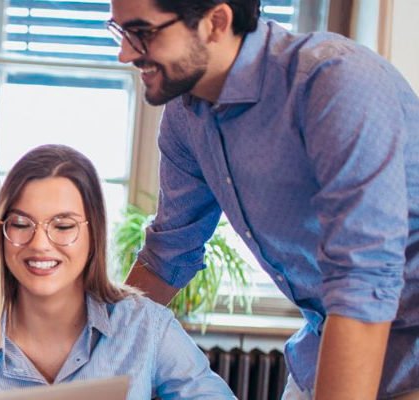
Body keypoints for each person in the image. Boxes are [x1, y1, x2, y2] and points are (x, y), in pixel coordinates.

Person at [107, 0, 419, 398]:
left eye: (143, 33)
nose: (126, 53)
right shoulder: (185, 116)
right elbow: (170, 252)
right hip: (323, 344)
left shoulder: (335, 82)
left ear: (216, 22)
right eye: (119, 32)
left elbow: (365, 281)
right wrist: (96, 348)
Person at [0, 144, 232, 399]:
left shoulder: (145, 326)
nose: (40, 244)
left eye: (63, 226)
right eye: (21, 224)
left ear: (93, 234)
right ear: (1, 234)